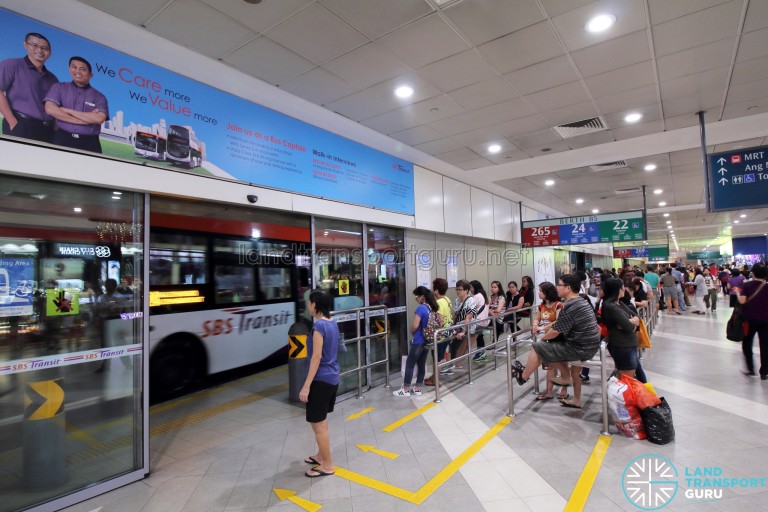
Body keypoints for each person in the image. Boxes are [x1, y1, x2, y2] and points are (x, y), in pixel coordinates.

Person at [511, 274, 601, 409]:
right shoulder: (581, 301)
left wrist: (542, 339)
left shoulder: (569, 306)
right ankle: (566, 389)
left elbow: (555, 331)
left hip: (580, 349)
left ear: (568, 288)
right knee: (549, 349)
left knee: (537, 346)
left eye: (559, 284)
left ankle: (523, 377)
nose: (557, 287)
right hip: (589, 346)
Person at [299, 289, 340, 478]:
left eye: (309, 302)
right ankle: (320, 455)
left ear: (315, 305)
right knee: (321, 421)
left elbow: (316, 357)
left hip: (320, 380)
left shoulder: (318, 328)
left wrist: (306, 385)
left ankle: (327, 465)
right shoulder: (332, 324)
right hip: (332, 377)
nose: (308, 306)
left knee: (318, 425)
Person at [0, 32, 58, 142]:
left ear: (49, 53)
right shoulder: (12, 65)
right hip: (21, 125)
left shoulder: (53, 79)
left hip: (47, 131)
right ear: (25, 45)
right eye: (34, 45)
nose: (39, 50)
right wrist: (12, 121)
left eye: (44, 48)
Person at [44, 56, 108, 153]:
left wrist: (67, 110)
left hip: (89, 142)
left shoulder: (99, 97)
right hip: (62, 138)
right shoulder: (59, 87)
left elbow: (99, 118)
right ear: (69, 69)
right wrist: (83, 120)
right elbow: (50, 109)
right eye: (74, 67)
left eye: (82, 69)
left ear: (91, 74)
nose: (78, 71)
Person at [393, 286, 439, 397]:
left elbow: (415, 325)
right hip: (427, 340)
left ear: (422, 297)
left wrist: (412, 332)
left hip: (418, 340)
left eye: (417, 297)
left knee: (410, 364)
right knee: (422, 364)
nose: (416, 299)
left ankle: (405, 389)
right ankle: (417, 388)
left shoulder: (421, 308)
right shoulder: (431, 307)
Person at [601, 278, 646, 382]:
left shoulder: (619, 303)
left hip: (629, 345)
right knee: (627, 380)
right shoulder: (610, 306)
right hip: (622, 346)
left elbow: (637, 317)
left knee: (631, 377)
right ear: (617, 289)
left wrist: (632, 322)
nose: (624, 290)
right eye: (622, 287)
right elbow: (629, 327)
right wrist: (632, 324)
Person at [531, 282, 568, 401]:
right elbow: (537, 318)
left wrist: (542, 328)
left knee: (562, 364)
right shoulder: (541, 306)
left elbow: (558, 321)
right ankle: (549, 392)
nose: (539, 293)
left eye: (541, 291)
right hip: (546, 337)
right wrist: (535, 325)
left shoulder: (558, 305)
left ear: (547, 292)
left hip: (558, 337)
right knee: (551, 366)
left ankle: (564, 389)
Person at [733, 263, 768, 380]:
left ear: (752, 273)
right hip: (766, 320)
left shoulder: (747, 286)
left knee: (747, 344)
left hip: (749, 319)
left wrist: (738, 292)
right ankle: (764, 372)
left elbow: (742, 302)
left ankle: (751, 369)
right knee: (765, 345)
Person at [443, 279, 476, 374]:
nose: (458, 292)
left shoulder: (471, 300)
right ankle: (449, 364)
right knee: (446, 339)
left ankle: (450, 364)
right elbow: (455, 315)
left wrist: (463, 331)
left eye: (460, 290)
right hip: (458, 325)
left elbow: (469, 317)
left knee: (452, 342)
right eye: (457, 289)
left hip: (467, 326)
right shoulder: (457, 300)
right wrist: (450, 326)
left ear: (466, 290)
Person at [424, 278, 453, 387]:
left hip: (441, 334)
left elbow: (439, 320)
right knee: (440, 357)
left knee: (437, 357)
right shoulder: (447, 299)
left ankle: (434, 380)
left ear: (436, 290)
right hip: (448, 332)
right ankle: (433, 377)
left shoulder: (439, 302)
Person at [469, 280, 490, 362]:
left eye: (471, 287)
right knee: (479, 336)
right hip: (484, 321)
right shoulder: (484, 295)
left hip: (478, 322)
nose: (470, 289)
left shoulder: (476, 297)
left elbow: (470, 309)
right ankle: (481, 353)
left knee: (471, 338)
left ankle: (480, 353)